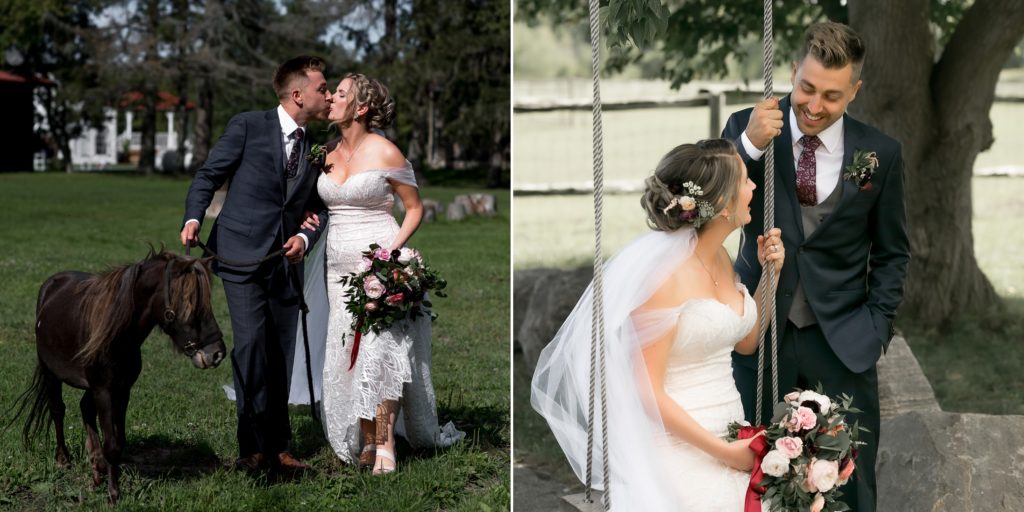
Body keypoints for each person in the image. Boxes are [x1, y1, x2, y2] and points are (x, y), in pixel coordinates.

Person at [531, 139, 786, 510]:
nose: (753, 189)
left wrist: (770, 277)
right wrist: (723, 452)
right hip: (679, 445)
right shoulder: (664, 280)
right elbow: (646, 391)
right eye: (745, 181)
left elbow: (745, 343)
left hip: (732, 428)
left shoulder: (720, 259)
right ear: (721, 204)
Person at [723, 21, 911, 512]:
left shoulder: (878, 154)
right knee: (754, 481)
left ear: (854, 90)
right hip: (761, 337)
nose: (814, 104)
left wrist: (876, 326)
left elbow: (892, 253)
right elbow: (711, 213)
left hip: (845, 343)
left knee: (849, 486)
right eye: (806, 87)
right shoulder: (748, 129)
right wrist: (748, 147)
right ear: (792, 72)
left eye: (831, 95)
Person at [300, 73, 462, 474]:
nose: (330, 99)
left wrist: (392, 257)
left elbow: (415, 208)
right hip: (335, 265)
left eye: (339, 94)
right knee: (348, 353)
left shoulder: (387, 152)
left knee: (381, 351)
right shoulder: (327, 151)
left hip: (379, 260)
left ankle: (385, 442)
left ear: (362, 107)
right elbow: (318, 205)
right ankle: (366, 436)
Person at [180, 55, 332, 473]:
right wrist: (193, 217)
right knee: (250, 351)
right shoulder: (247, 125)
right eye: (323, 87)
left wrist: (304, 237)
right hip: (241, 256)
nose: (329, 93)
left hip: (287, 264)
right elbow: (208, 176)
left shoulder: (317, 148)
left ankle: (280, 447)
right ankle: (251, 449)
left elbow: (320, 207)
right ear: (298, 94)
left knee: (280, 354)